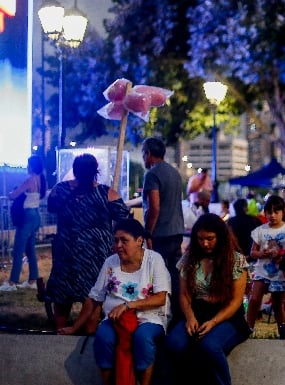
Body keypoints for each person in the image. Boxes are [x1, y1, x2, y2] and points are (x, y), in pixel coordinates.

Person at [57, 219, 171, 385]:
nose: (118, 245)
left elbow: (160, 298)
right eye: (115, 240)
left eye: (124, 240)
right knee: (103, 338)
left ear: (139, 240)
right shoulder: (110, 263)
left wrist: (128, 306)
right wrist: (75, 327)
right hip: (115, 319)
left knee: (143, 338)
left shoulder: (154, 260)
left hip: (150, 317)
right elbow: (95, 297)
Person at [166, 213, 250, 385]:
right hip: (196, 311)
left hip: (227, 316)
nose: (204, 243)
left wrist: (213, 322)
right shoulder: (189, 259)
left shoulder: (236, 260)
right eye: (200, 238)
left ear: (220, 237)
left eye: (210, 239)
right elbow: (184, 295)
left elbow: (235, 302)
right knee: (175, 343)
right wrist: (189, 317)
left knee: (210, 345)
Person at [45, 154, 130, 330]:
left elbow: (51, 207)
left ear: (75, 170)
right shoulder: (106, 193)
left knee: (62, 295)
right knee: (93, 295)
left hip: (66, 249)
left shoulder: (60, 190)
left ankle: (60, 333)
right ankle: (89, 335)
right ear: (95, 171)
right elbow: (123, 217)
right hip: (95, 253)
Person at [141, 137, 185, 325]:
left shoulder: (152, 175)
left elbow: (155, 207)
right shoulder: (174, 173)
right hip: (177, 230)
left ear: (148, 153)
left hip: (160, 233)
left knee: (156, 274)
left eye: (143, 154)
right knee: (175, 275)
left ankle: (159, 315)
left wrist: (148, 232)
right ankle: (179, 314)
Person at [1, 155, 46, 292]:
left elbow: (13, 195)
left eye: (28, 164)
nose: (27, 167)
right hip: (36, 215)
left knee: (18, 250)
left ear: (32, 166)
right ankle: (33, 279)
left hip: (27, 216)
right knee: (30, 249)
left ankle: (12, 282)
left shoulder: (30, 180)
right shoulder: (41, 180)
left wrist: (11, 192)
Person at [246, 196, 285, 335]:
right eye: (269, 212)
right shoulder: (260, 230)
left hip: (280, 274)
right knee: (254, 299)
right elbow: (252, 252)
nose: (273, 215)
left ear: (283, 212)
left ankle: (282, 334)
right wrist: (261, 254)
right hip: (261, 271)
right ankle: (247, 330)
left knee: (277, 305)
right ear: (264, 213)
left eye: (276, 212)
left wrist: (281, 255)